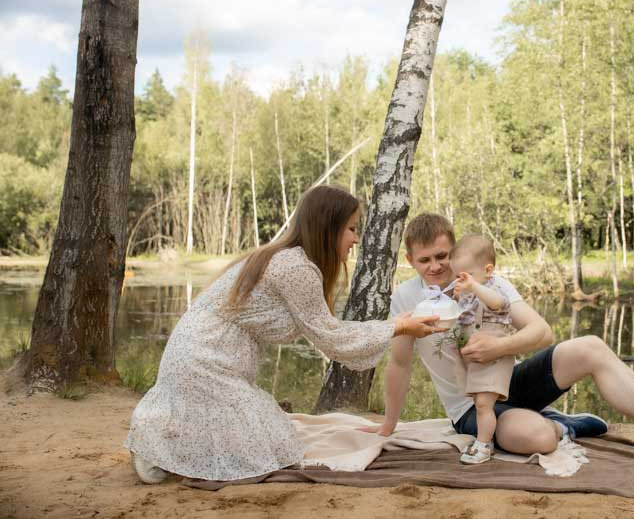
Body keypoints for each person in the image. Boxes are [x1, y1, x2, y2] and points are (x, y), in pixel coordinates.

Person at [124, 186, 443, 484]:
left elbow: (326, 329)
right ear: (328, 228)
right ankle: (158, 448)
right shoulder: (295, 267)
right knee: (275, 448)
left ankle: (164, 442)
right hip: (204, 361)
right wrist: (396, 327)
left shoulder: (284, 258)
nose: (355, 239)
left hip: (197, 354)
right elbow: (331, 337)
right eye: (351, 228)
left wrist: (393, 326)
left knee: (272, 436)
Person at [372, 213, 634, 466]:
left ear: (454, 252)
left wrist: (498, 347)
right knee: (540, 439)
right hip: (471, 406)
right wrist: (388, 427)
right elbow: (401, 364)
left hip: (510, 380)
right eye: (425, 260)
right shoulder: (406, 299)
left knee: (591, 346)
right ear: (410, 260)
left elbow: (542, 332)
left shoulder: (487, 283)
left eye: (442, 256)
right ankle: (563, 426)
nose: (435, 266)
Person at [445, 235, 515, 464]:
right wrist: (460, 297)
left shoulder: (495, 287)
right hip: (474, 359)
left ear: (488, 270)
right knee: (479, 403)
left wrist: (473, 287)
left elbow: (498, 304)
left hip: (494, 358)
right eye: (458, 277)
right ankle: (486, 440)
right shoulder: (471, 292)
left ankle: (483, 445)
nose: (463, 281)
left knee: (484, 404)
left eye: (468, 276)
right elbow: (463, 317)